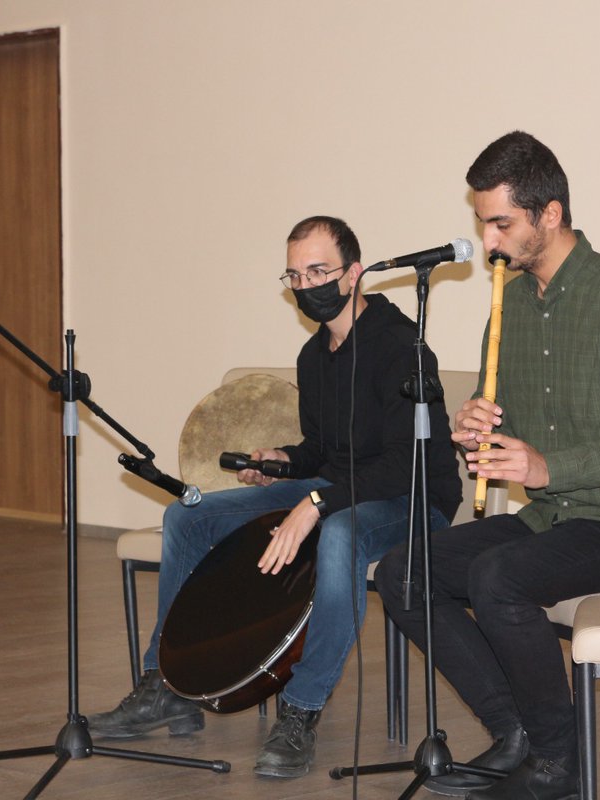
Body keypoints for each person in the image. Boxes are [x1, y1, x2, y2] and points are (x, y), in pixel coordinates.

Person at [375, 131, 600, 800]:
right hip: (558, 519)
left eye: (501, 224)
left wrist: (547, 467)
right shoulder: (512, 304)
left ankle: (558, 764)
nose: (488, 242)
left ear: (549, 214)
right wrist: (476, 428)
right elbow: (511, 428)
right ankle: (516, 732)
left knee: (498, 578)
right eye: (482, 223)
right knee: (405, 571)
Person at [88, 215, 463, 779]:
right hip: (338, 489)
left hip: (411, 498)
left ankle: (301, 710)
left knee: (339, 534)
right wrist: (281, 461)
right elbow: (322, 452)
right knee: (186, 517)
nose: (305, 285)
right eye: (295, 275)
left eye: (318, 271)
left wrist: (314, 506)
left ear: (354, 273)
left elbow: (402, 463)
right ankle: (167, 687)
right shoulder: (314, 357)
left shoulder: (401, 348)